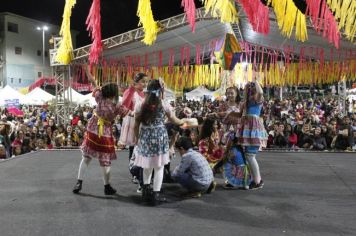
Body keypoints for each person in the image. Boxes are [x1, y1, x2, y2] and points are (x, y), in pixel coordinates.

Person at [73, 67, 130, 195]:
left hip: (92, 130)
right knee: (105, 161)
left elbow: (94, 82)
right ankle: (107, 186)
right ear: (114, 93)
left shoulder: (100, 97)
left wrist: (87, 72)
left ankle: (79, 182)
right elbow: (130, 113)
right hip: (105, 134)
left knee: (86, 157)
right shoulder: (117, 105)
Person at [133, 79, 188, 206]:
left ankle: (145, 192)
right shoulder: (164, 104)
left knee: (146, 165)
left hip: (145, 136)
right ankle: (155, 195)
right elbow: (175, 120)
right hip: (159, 137)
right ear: (161, 91)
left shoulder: (140, 104)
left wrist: (137, 139)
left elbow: (136, 125)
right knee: (159, 167)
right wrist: (184, 121)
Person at [239, 80, 268, 190]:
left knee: (250, 156)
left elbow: (260, 92)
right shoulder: (246, 101)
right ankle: (255, 180)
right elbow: (238, 114)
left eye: (252, 88)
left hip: (253, 129)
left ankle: (257, 181)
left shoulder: (257, 99)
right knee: (249, 156)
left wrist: (256, 82)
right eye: (250, 88)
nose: (251, 90)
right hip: (247, 129)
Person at [119, 73, 148, 160]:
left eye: (147, 82)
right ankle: (133, 169)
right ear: (136, 82)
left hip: (143, 122)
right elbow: (124, 106)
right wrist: (131, 90)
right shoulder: (130, 91)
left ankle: (140, 168)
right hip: (133, 122)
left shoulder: (145, 93)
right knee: (134, 147)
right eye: (143, 82)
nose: (145, 84)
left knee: (142, 146)